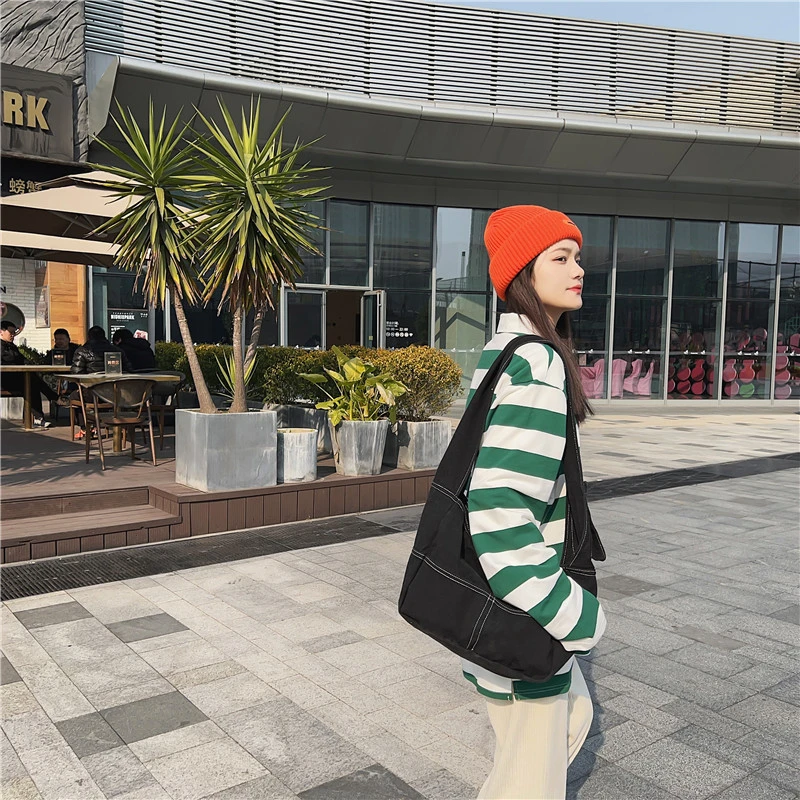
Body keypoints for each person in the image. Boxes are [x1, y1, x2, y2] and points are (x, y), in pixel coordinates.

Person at [466, 206, 606, 799]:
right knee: (531, 782)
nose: (579, 270)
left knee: (532, 757)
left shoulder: (502, 349)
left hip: (495, 607)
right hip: (527, 613)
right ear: (523, 270)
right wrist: (569, 613)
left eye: (578, 257)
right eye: (561, 257)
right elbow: (497, 502)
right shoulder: (538, 362)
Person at [0, 320, 57, 428]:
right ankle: (53, 398)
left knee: (32, 384)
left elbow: (22, 359)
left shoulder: (12, 346)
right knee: (32, 381)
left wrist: (32, 364)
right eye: (10, 332)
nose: (13, 335)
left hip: (16, 379)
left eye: (14, 333)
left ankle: (39, 418)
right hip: (4, 380)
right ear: (1, 332)